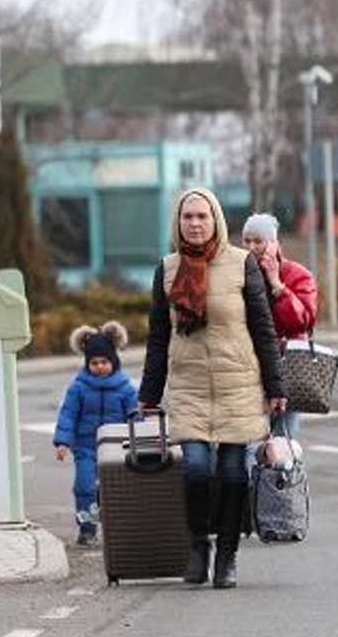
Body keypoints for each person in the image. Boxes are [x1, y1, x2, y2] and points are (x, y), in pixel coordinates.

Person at [138, 189, 286, 590]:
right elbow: (158, 336)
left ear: (216, 219)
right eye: (188, 216)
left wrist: (276, 386)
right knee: (197, 470)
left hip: (238, 382)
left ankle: (227, 554)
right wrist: (148, 394)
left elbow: (263, 328)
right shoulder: (167, 270)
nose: (196, 223)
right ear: (178, 222)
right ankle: (199, 544)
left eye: (203, 215)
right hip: (188, 386)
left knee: (235, 474)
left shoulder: (242, 266)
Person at [52, 321, 138, 547]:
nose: (100, 367)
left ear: (114, 361)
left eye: (104, 362)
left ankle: (120, 526)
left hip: (117, 448)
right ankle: (87, 528)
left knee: (116, 488)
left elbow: (135, 415)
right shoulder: (78, 387)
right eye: (94, 363)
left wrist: (139, 434)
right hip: (86, 447)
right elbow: (68, 415)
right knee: (84, 486)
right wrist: (62, 442)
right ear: (87, 363)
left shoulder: (125, 388)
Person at [241, 212, 318, 441]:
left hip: (287, 369)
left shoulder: (298, 275)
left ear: (274, 243)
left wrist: (278, 286)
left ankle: (284, 476)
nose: (251, 247)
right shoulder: (238, 274)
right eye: (247, 241)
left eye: (259, 241)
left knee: (283, 442)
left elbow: (302, 321)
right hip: (248, 368)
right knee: (250, 443)